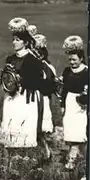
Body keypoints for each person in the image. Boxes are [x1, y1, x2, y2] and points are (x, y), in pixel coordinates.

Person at [0, 17, 44, 151]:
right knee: (10, 130)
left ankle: (25, 163)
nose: (14, 42)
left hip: (25, 99)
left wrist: (20, 81)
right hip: (10, 98)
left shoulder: (32, 59)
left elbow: (37, 82)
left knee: (23, 134)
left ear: (26, 42)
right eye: (13, 39)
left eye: (18, 40)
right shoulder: (10, 58)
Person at [60, 35, 88, 171]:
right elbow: (64, 89)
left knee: (78, 131)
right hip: (69, 103)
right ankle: (77, 156)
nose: (71, 62)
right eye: (70, 59)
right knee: (70, 131)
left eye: (74, 59)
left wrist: (84, 99)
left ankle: (72, 159)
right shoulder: (66, 71)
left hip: (81, 105)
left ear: (81, 58)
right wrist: (62, 105)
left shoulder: (86, 72)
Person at [33, 33, 56, 161]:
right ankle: (40, 151)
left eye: (39, 53)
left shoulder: (48, 68)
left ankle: (46, 151)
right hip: (32, 98)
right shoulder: (31, 66)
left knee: (41, 127)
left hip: (43, 98)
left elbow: (51, 85)